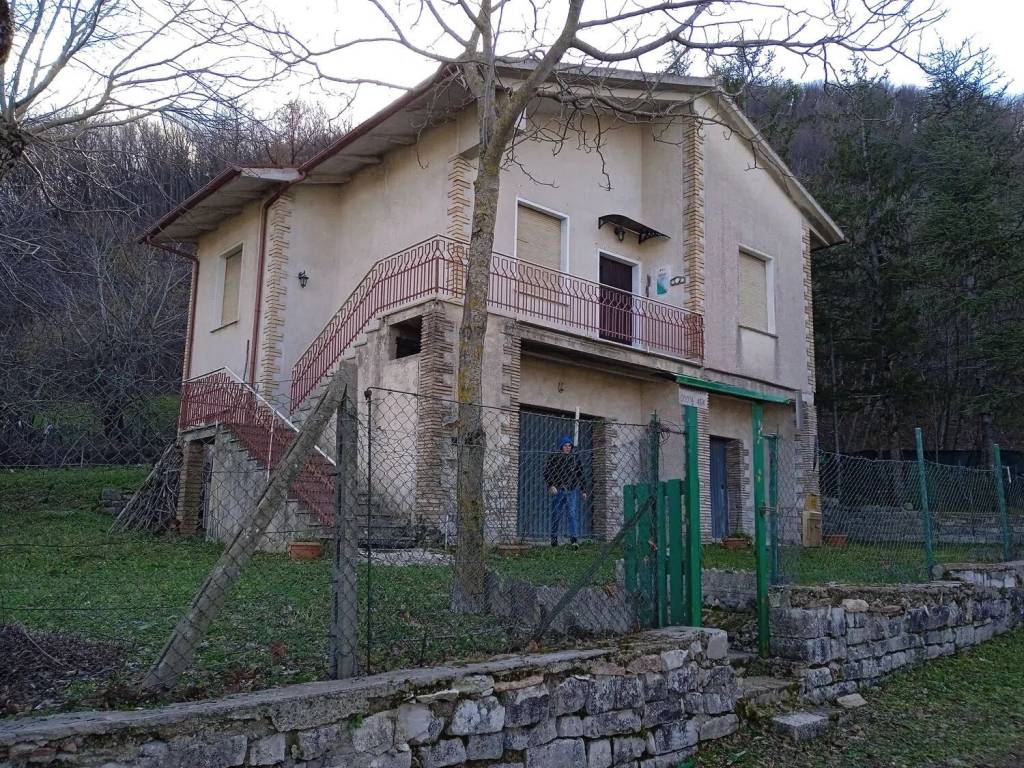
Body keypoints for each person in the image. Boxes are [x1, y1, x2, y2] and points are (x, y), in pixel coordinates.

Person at [543, 435, 588, 547]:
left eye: (570, 446)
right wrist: (551, 485)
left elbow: (580, 474)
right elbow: (547, 472)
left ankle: (574, 540)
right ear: (561, 447)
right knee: (556, 515)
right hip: (558, 490)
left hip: (571, 491)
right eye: (565, 446)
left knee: (572, 514)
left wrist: (583, 490)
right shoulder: (554, 458)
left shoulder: (575, 458)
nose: (568, 448)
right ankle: (554, 539)